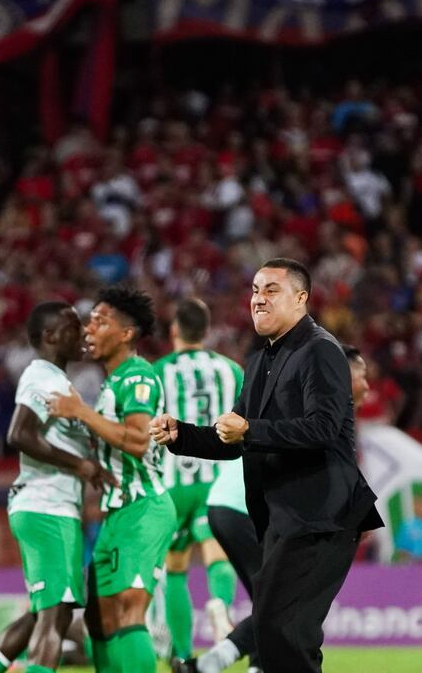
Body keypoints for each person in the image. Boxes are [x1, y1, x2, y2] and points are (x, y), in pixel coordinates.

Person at [152, 258, 383, 673]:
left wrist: (251, 431)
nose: (258, 299)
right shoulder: (260, 360)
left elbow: (324, 429)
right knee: (279, 632)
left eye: (271, 290)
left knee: (282, 630)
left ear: (301, 298)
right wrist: (182, 435)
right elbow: (234, 439)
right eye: (255, 290)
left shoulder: (321, 350)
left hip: (322, 517)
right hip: (283, 517)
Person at [185, 343, 372, 673]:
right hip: (244, 507)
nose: (367, 385)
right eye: (362, 375)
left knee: (277, 602)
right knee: (284, 603)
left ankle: (234, 662)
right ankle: (222, 662)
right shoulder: (313, 407)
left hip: (230, 505)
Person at [45, 286, 177, 673]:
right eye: (89, 321)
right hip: (115, 514)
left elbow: (137, 440)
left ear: (126, 333)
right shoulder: (112, 383)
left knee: (129, 606)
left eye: (100, 322)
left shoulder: (138, 376)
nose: (88, 329)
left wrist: (80, 412)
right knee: (98, 619)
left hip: (144, 509)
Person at [0, 303, 113, 673]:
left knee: (46, 611)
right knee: (56, 613)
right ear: (50, 336)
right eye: (72, 326)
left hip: (50, 507)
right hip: (46, 505)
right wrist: (82, 465)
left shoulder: (57, 380)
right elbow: (19, 434)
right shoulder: (42, 378)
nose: (82, 332)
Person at [152, 298, 244, 666]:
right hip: (218, 479)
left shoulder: (157, 371)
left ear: (174, 330)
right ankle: (219, 605)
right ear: (206, 332)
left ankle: (181, 655)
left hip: (174, 481)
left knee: (175, 566)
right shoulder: (231, 370)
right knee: (216, 555)